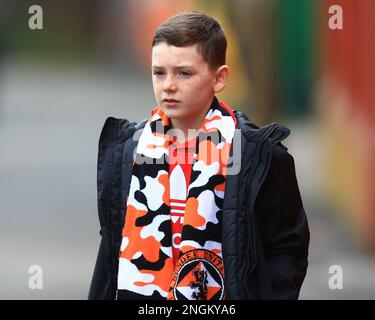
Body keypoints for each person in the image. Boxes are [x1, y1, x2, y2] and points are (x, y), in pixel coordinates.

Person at [88, 11, 310, 300]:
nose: (168, 85)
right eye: (159, 72)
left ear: (219, 78)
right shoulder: (128, 149)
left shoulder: (256, 154)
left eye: (184, 73)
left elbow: (287, 244)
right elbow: (111, 247)